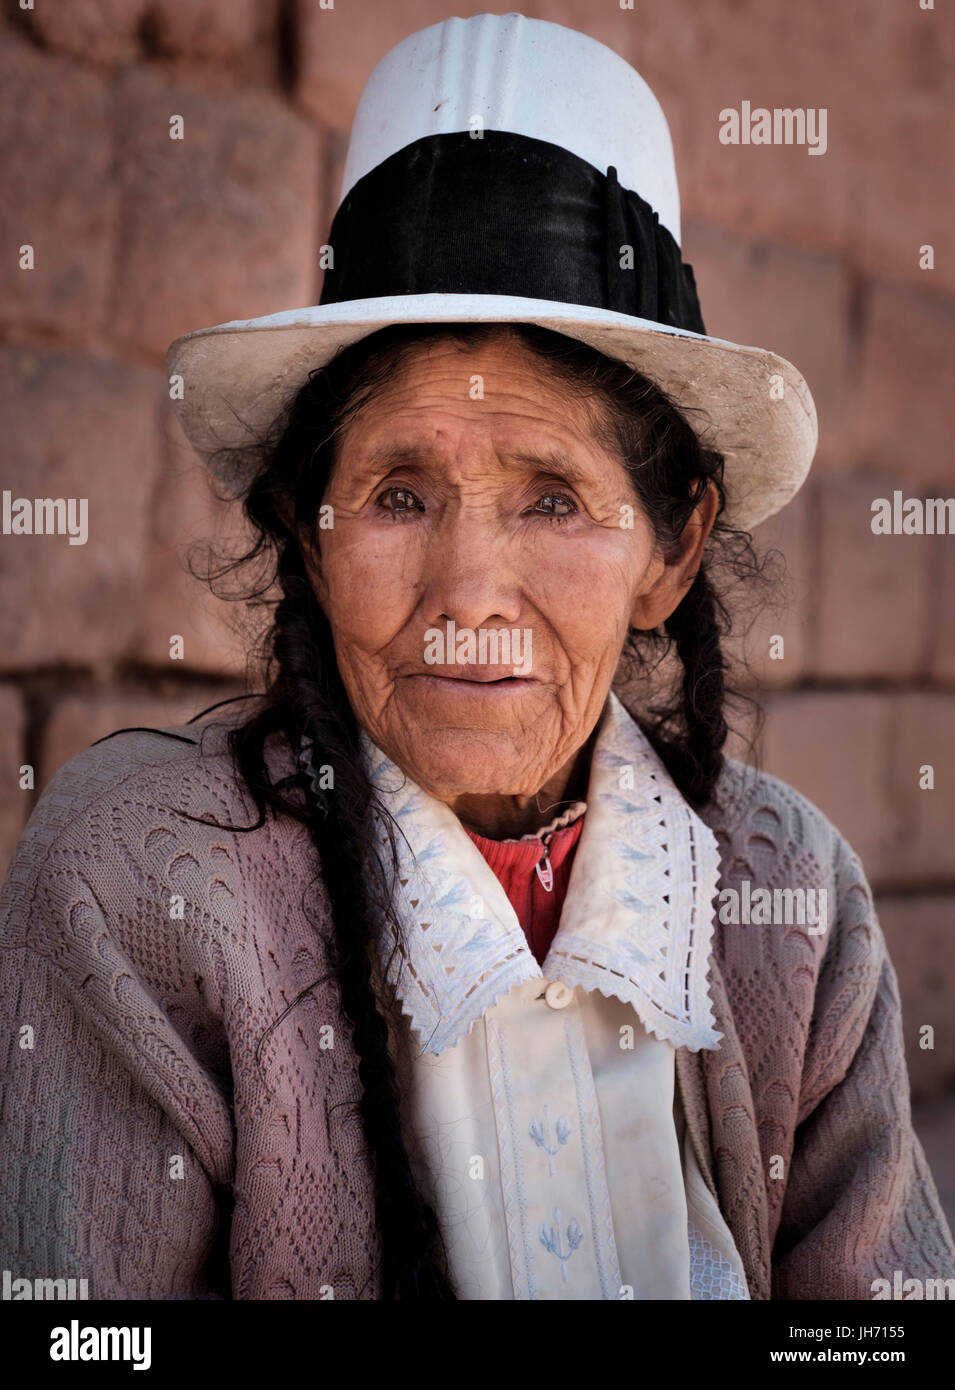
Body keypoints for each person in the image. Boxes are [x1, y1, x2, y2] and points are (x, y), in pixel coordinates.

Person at [1, 13, 952, 1301]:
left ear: (671, 551)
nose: (468, 593)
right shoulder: (132, 880)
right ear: (308, 531)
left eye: (554, 500)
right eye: (398, 494)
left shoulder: (798, 901)